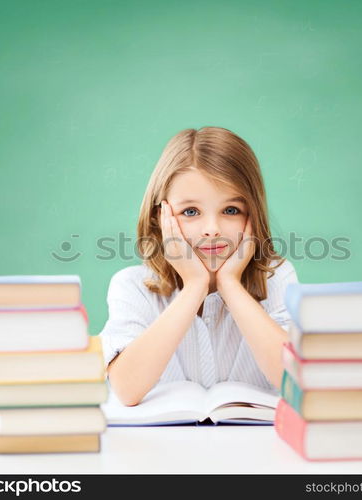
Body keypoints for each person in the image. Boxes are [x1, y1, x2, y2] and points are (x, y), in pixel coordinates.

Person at [99, 126, 299, 406]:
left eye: (231, 210)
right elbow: (126, 389)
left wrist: (230, 284)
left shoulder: (277, 278)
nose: (212, 229)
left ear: (252, 214)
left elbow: (296, 381)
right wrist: (194, 285)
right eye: (190, 212)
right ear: (161, 217)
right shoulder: (132, 285)